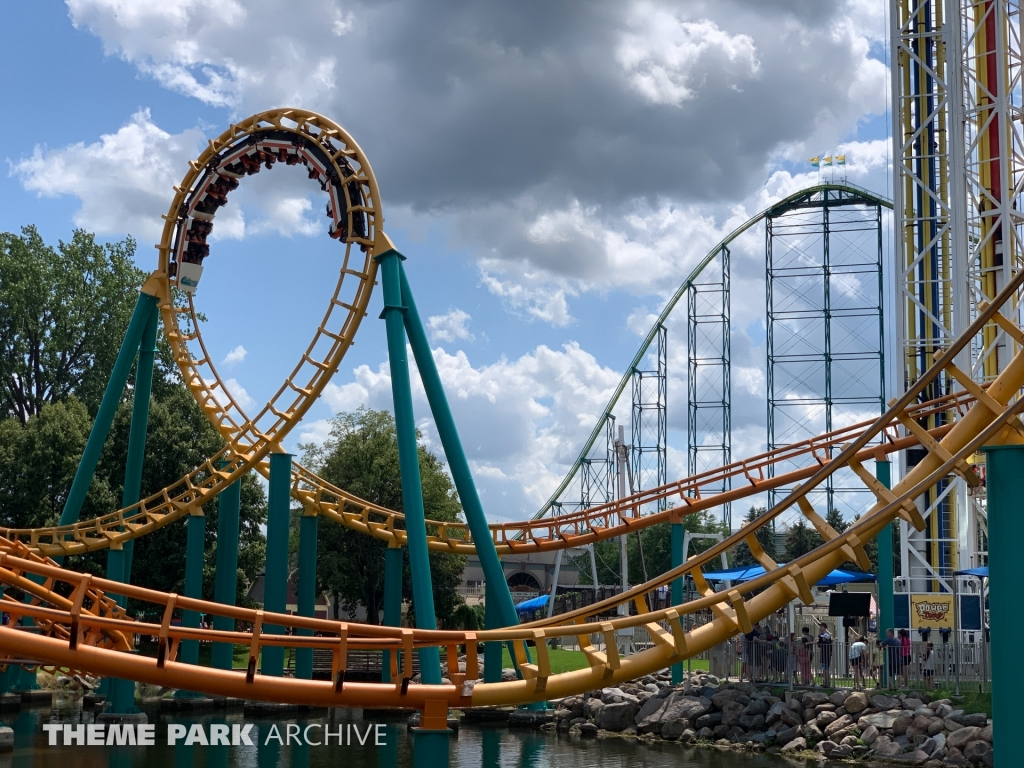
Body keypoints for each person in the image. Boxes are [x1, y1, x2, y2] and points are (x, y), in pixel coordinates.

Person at [817, 622, 833, 687]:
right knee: (824, 668)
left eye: (821, 626)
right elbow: (819, 644)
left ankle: (827, 682)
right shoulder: (820, 635)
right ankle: (825, 681)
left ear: (825, 627)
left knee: (826, 668)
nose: (820, 628)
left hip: (827, 653)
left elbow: (829, 643)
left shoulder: (827, 635)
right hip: (823, 653)